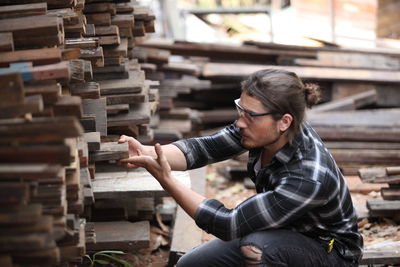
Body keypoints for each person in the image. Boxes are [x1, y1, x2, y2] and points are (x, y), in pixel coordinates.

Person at [118, 69, 363, 267]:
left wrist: (168, 181)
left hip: (329, 253)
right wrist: (146, 152)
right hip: (280, 233)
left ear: (284, 121)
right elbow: (203, 149)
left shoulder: (308, 177)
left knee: (256, 249)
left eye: (250, 116)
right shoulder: (263, 131)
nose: (240, 123)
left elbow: (229, 224)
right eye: (240, 111)